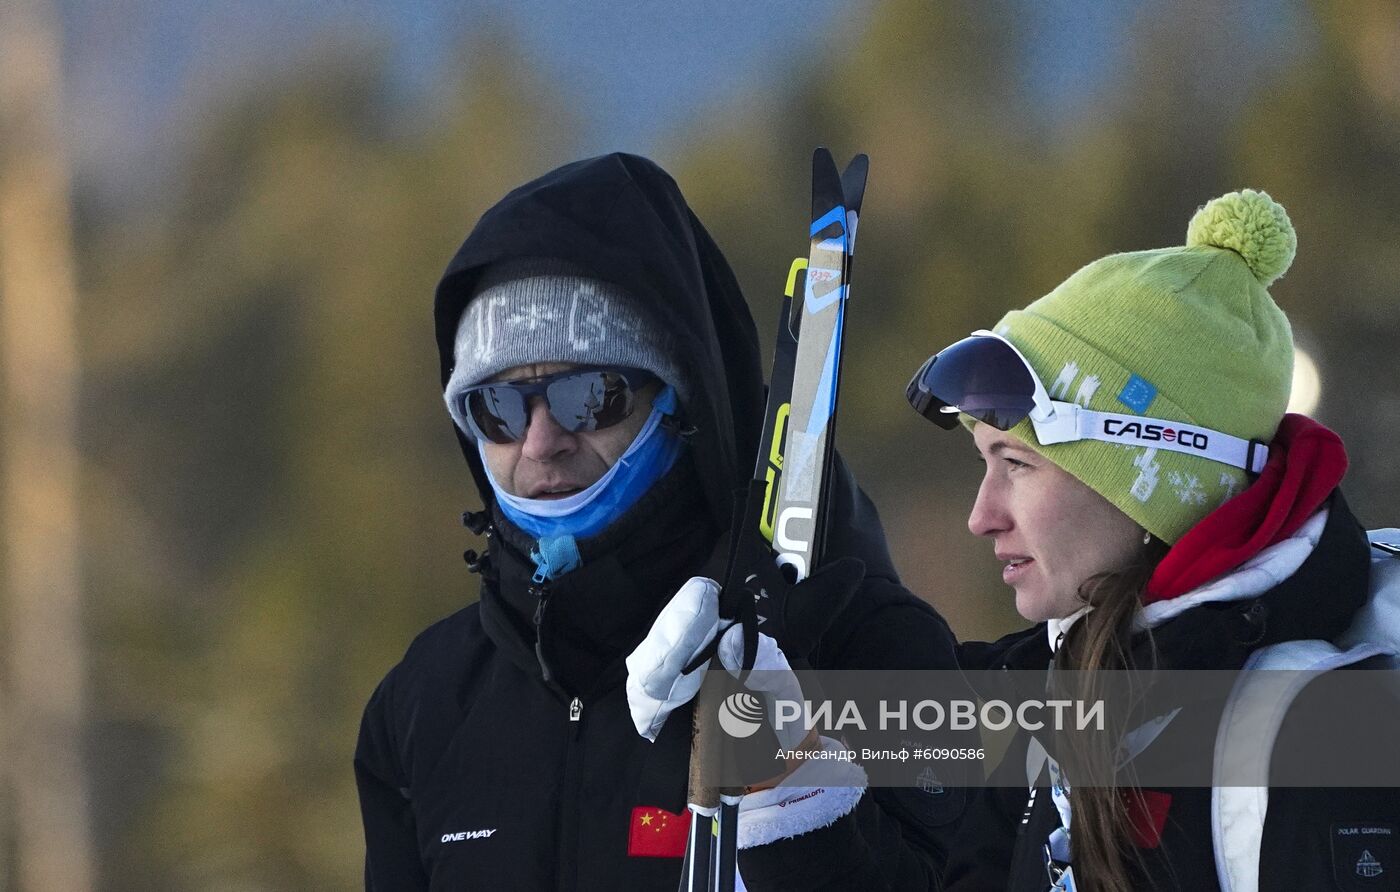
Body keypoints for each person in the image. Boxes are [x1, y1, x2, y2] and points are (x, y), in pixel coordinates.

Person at [354, 153, 965, 890]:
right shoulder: (427, 699)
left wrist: (799, 784)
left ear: (681, 404)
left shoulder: (865, 646)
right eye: (499, 408)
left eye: (590, 397)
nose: (541, 441)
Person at [906, 189, 1400, 891]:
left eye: (1017, 465)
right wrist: (793, 811)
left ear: (1150, 477)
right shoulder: (1064, 694)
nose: (981, 515)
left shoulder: (1312, 742)